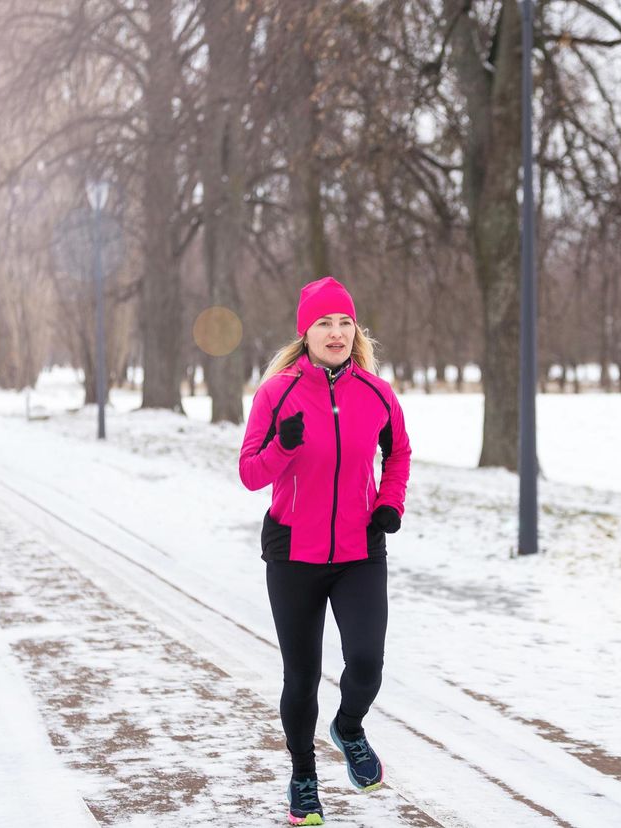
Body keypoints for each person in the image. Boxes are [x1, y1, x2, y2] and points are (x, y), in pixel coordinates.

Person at [239, 277, 412, 826]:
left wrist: (390, 504)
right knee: (302, 677)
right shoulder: (277, 393)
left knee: (367, 663)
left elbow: (400, 453)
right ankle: (303, 776)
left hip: (361, 549)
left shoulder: (378, 393)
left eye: (344, 323)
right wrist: (283, 446)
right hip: (294, 552)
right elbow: (249, 472)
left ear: (354, 330)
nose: (336, 333)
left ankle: (351, 727)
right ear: (305, 331)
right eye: (324, 323)